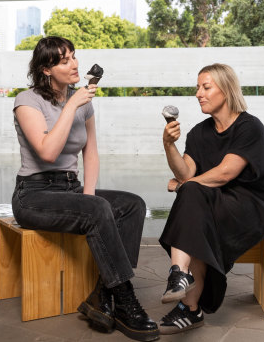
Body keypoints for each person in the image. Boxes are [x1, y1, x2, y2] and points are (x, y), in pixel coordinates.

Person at [11, 36, 159, 342]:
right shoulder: (27, 101)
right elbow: (48, 152)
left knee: (133, 205)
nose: (74, 64)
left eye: (74, 57)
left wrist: (89, 194)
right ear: (46, 69)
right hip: (34, 194)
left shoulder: (83, 105)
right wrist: (71, 105)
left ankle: (103, 294)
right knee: (98, 209)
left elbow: (90, 153)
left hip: (72, 190)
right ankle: (125, 301)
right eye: (64, 60)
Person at [158, 63, 264, 334]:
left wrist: (183, 185)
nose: (198, 93)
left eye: (206, 87)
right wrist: (169, 145)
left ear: (225, 89)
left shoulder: (250, 126)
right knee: (194, 211)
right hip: (217, 201)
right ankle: (181, 281)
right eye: (197, 88)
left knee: (191, 198)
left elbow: (225, 173)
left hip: (254, 206)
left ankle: (186, 299)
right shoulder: (199, 133)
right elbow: (185, 171)